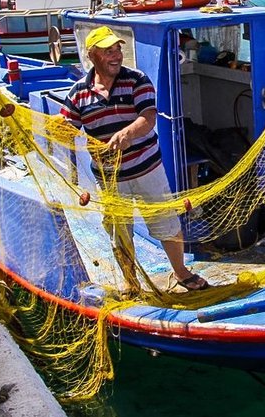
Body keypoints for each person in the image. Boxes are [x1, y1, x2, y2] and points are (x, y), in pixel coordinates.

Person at [58, 26, 209, 292]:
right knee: (119, 232)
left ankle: (181, 272)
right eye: (108, 51)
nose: (116, 55)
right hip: (109, 177)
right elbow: (66, 127)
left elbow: (148, 117)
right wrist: (54, 127)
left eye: (118, 49)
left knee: (166, 221)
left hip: (146, 168)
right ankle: (131, 283)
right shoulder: (78, 93)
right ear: (91, 55)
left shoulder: (137, 79)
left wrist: (127, 133)